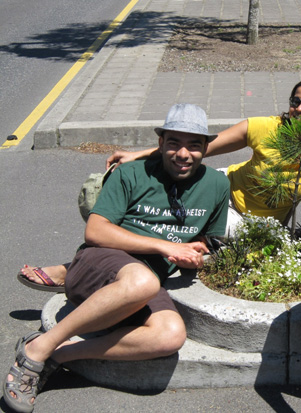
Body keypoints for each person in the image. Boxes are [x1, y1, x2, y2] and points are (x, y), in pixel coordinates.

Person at [3, 104, 230, 413]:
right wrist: (165, 247)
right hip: (100, 263)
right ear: (161, 143)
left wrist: (197, 253)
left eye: (194, 145)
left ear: (206, 148)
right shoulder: (132, 173)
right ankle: (37, 350)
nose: (183, 153)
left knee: (170, 335)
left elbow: (208, 240)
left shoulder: (216, 185)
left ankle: (59, 354)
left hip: (147, 281)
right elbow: (95, 232)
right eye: (174, 142)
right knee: (142, 281)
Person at [17, 77, 301, 291]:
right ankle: (81, 265)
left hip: (244, 223)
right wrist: (143, 155)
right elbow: (199, 148)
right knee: (158, 224)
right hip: (222, 187)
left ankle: (84, 269)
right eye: (296, 100)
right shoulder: (265, 127)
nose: (300, 108)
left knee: (173, 234)